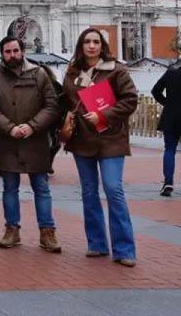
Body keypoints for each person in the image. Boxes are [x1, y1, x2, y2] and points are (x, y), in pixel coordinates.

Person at [62, 28, 139, 267]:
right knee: (88, 191)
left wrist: (104, 115)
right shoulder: (72, 72)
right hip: (82, 140)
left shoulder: (116, 70)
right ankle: (96, 243)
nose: (91, 46)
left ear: (102, 45)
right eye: (87, 41)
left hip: (111, 138)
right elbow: (65, 101)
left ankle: (124, 249)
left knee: (113, 189)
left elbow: (130, 100)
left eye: (96, 41)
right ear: (81, 45)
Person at [0, 37, 61, 252]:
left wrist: (32, 126)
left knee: (42, 188)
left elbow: (52, 106)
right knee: (9, 188)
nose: (12, 55)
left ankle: (47, 232)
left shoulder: (39, 74)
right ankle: (11, 229)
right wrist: (9, 127)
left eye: (15, 50)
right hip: (6, 141)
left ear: (22, 51)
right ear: (2, 53)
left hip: (35, 140)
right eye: (7, 51)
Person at [151, 64, 180, 197]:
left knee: (169, 149)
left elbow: (155, 91)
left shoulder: (171, 73)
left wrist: (167, 103)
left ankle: (168, 182)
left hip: (171, 117)